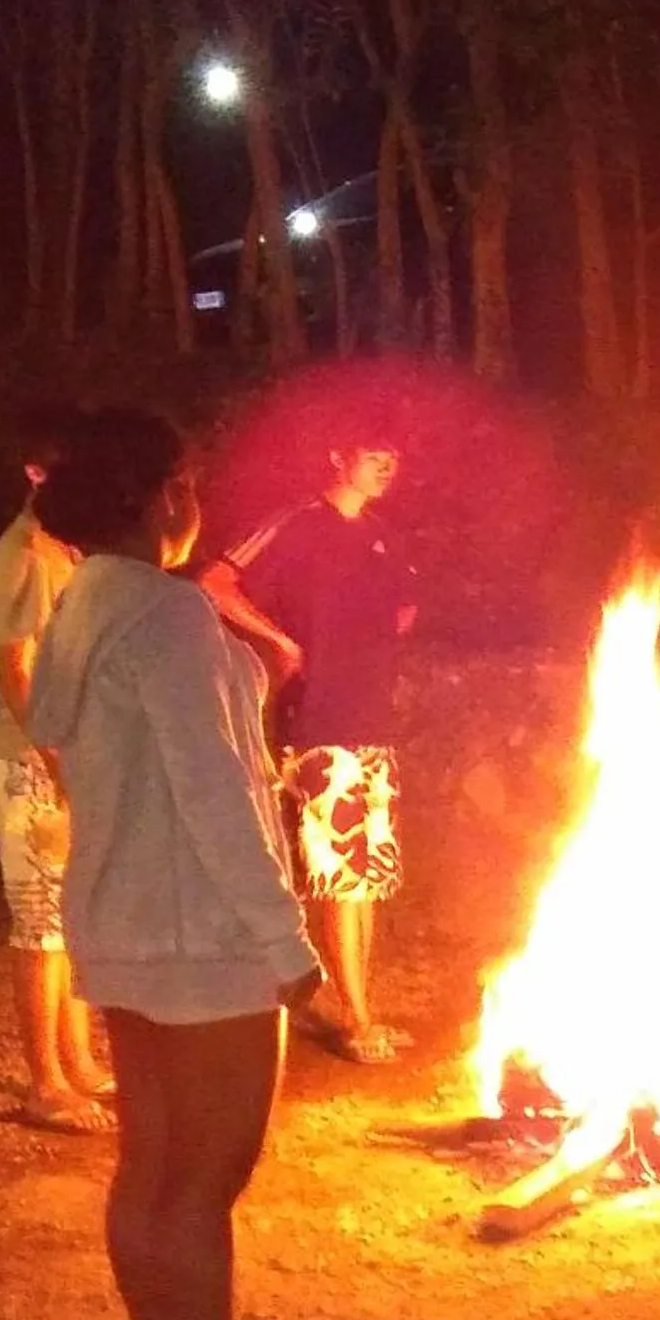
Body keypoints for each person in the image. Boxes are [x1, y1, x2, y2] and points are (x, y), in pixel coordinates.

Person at [25, 407, 330, 1320]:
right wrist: (286, 941)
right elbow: (217, 790)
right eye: (189, 481)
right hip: (204, 938)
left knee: (151, 1177)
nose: (197, 498)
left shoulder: (85, 603)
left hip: (125, 922)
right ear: (163, 496)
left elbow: (52, 727)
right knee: (202, 1186)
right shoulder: (169, 615)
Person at [199, 415, 417, 1064]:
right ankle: (356, 1019)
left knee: (366, 876)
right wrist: (281, 641)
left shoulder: (381, 535)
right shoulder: (296, 523)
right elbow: (215, 582)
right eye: (373, 453)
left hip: (372, 724)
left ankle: (357, 1006)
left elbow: (405, 609)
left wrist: (370, 649)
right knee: (341, 874)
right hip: (320, 723)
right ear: (337, 456)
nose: (386, 466)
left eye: (392, 456)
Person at [0, 400, 116, 1133]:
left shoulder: (65, 551)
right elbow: (16, 671)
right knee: (39, 923)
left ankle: (77, 1063)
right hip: (29, 758)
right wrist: (57, 757)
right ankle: (45, 1083)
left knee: (66, 920)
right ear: (36, 473)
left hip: (60, 754)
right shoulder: (28, 555)